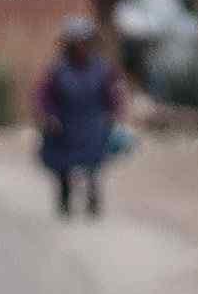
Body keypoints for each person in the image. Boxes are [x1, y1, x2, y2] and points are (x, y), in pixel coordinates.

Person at [33, 16, 128, 218]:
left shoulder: (102, 69)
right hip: (65, 122)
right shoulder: (57, 70)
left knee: (93, 161)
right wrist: (48, 116)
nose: (81, 47)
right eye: (76, 42)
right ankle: (65, 195)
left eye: (84, 42)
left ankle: (93, 193)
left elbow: (113, 94)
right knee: (62, 163)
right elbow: (43, 95)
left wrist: (115, 113)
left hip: (92, 121)